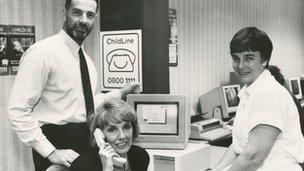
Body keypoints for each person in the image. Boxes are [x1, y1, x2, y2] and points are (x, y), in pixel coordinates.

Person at [7, 0, 140, 170]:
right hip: (57, 148)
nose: (84, 20)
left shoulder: (87, 61)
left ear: (95, 18)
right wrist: (51, 152)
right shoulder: (42, 53)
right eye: (77, 12)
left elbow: (84, 104)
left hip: (85, 145)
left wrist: (120, 92)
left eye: (90, 15)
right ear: (64, 13)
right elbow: (17, 110)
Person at [212, 27, 304, 170]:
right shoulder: (249, 91)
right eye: (236, 58)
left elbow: (253, 157)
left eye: (249, 58)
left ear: (265, 60)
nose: (241, 65)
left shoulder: (270, 93)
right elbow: (238, 146)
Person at [70, 97, 150, 171]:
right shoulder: (81, 166)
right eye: (112, 130)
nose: (122, 136)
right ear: (100, 134)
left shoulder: (140, 156)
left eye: (126, 127)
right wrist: (107, 168)